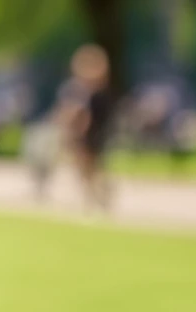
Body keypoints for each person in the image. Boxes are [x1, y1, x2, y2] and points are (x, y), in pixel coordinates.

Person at [57, 44, 117, 209]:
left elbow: (85, 116)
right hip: (84, 134)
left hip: (92, 133)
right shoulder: (77, 90)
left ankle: (98, 195)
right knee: (85, 167)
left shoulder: (97, 94)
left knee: (91, 166)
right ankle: (94, 195)